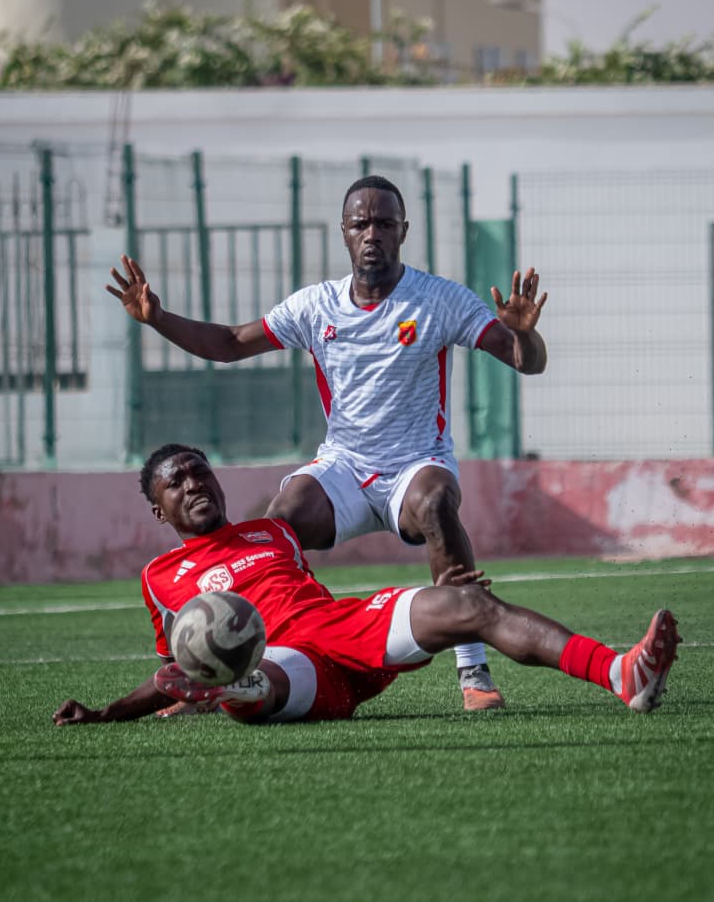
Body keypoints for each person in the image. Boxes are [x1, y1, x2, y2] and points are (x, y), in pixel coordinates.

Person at [105, 175, 549, 711]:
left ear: (403, 231)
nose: (372, 233)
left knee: (435, 502)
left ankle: (473, 669)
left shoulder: (439, 298)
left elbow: (526, 362)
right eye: (360, 224)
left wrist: (524, 334)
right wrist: (157, 318)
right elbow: (228, 343)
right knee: (276, 525)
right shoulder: (316, 306)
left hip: (415, 464)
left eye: (384, 223)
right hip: (344, 467)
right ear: (344, 232)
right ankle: (226, 661)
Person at [52, 445, 680, 727]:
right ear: (159, 510)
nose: (193, 484)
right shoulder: (160, 579)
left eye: (199, 472)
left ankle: (622, 673)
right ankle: (234, 689)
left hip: (343, 629)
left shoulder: (273, 530)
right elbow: (175, 667)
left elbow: (359, 499)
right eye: (177, 482)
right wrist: (110, 712)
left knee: (471, 604)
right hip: (284, 664)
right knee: (254, 680)